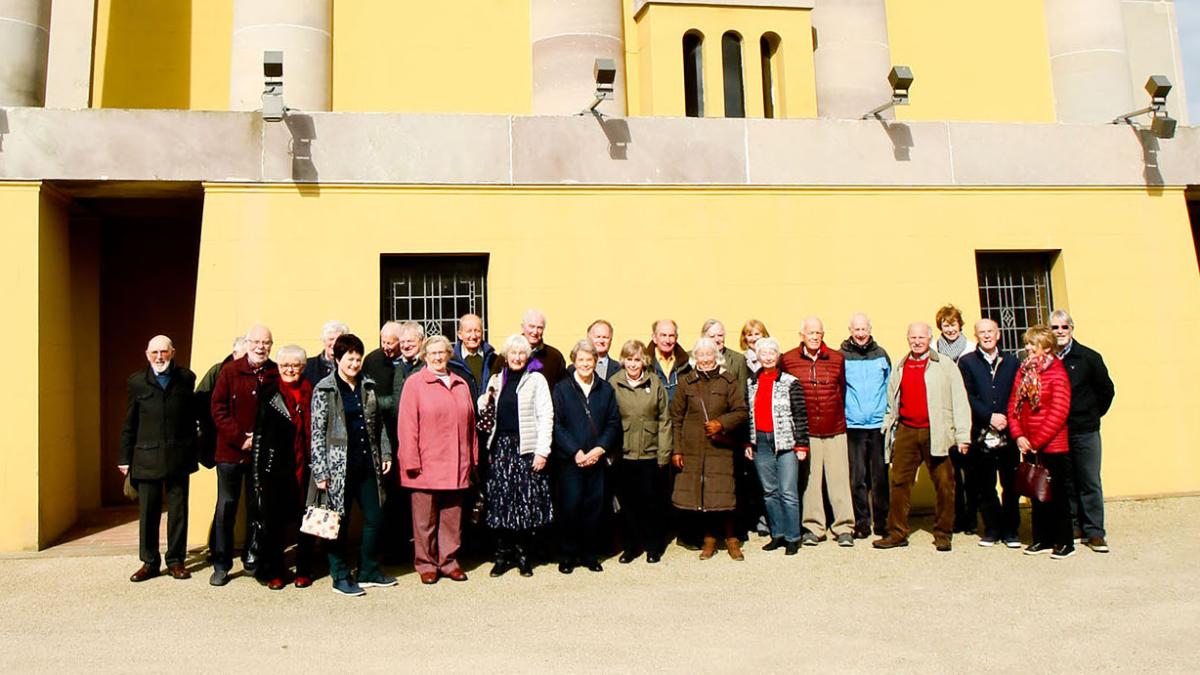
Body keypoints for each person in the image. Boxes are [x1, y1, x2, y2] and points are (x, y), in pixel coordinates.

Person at [310, 334, 395, 597]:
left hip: (366, 462)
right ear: (337, 359)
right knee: (338, 522)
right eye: (349, 358)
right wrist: (320, 470)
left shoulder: (367, 386)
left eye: (358, 359)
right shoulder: (324, 388)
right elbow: (317, 431)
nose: (355, 363)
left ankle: (368, 570)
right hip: (337, 467)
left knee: (374, 516)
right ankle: (340, 575)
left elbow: (377, 424)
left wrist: (385, 452)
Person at [874, 322, 971, 552]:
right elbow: (892, 401)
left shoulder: (945, 365)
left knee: (945, 484)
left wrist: (962, 435)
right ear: (907, 338)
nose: (917, 342)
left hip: (936, 430)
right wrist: (889, 427)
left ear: (930, 338)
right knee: (899, 483)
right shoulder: (901, 365)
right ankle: (897, 533)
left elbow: (959, 400)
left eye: (921, 337)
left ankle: (943, 533)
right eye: (913, 337)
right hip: (907, 430)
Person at [397, 336, 478, 584]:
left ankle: (449, 561)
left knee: (452, 519)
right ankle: (426, 564)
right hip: (426, 464)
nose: (438, 357)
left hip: (457, 463)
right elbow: (407, 425)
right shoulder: (415, 384)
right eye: (432, 353)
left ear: (448, 354)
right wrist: (410, 462)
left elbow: (471, 426)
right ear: (424, 356)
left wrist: (473, 458)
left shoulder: (460, 383)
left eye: (442, 352)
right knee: (425, 521)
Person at [119, 335, 198, 582]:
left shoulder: (186, 378)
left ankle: (176, 561)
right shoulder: (137, 382)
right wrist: (124, 458)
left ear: (173, 352)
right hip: (146, 457)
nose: (159, 357)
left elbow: (192, 416)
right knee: (149, 513)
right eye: (154, 352)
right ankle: (150, 562)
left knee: (178, 512)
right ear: (147, 354)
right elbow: (129, 423)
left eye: (164, 352)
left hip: (178, 456)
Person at [209, 324, 279, 586]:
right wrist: (241, 439)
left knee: (256, 507)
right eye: (256, 342)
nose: (261, 347)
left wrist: (260, 441)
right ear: (247, 343)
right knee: (226, 508)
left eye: (266, 342)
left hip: (260, 455)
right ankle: (221, 563)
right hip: (229, 453)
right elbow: (218, 409)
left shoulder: (274, 371)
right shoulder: (230, 370)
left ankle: (253, 557)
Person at [479, 334, 554, 577]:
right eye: (513, 353)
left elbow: (546, 416)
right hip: (500, 448)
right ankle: (502, 556)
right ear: (506, 355)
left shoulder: (536, 380)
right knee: (501, 504)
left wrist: (542, 451)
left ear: (527, 356)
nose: (517, 357)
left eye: (522, 353)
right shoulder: (496, 379)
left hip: (525, 449)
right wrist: (485, 398)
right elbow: (484, 407)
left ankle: (523, 556)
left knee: (524, 505)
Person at [670, 338, 749, 560]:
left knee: (724, 494)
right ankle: (709, 538)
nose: (705, 359)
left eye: (709, 354)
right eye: (701, 355)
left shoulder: (728, 380)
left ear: (717, 356)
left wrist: (721, 423)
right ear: (695, 357)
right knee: (702, 495)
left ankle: (732, 539)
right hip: (693, 449)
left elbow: (741, 411)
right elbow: (676, 417)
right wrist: (677, 450)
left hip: (720, 447)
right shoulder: (687, 382)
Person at [781, 317, 855, 547]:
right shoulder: (789, 359)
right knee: (811, 482)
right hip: (807, 431)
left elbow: (841, 389)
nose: (814, 337)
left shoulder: (836, 358)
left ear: (823, 335)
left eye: (818, 333)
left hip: (834, 428)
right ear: (801, 334)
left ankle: (844, 527)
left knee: (839, 480)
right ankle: (814, 527)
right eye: (810, 333)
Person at [552, 340, 621, 573]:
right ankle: (568, 554)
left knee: (594, 508)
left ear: (595, 362)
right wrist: (576, 452)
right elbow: (557, 424)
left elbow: (613, 423)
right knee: (570, 507)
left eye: (589, 360)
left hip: (596, 459)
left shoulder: (605, 389)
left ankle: (590, 554)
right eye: (580, 360)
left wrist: (600, 449)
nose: (585, 364)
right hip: (570, 460)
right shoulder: (562, 388)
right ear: (574, 361)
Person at [250, 344, 315, 589]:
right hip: (274, 468)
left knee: (305, 523)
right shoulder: (268, 392)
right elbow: (259, 435)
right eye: (285, 365)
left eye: (295, 365)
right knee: (273, 523)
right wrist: (257, 474)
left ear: (303, 367)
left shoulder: (312, 391)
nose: (290, 369)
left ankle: (304, 571)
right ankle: (274, 571)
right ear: (278, 367)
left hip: (305, 467)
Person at [1051, 310, 1115, 553]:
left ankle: (1095, 531)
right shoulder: (1049, 360)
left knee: (1089, 480)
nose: (1059, 332)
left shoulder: (1089, 357)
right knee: (1067, 481)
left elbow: (1106, 391)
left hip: (1085, 429)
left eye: (1064, 327)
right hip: (1059, 431)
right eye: (1055, 328)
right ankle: (1075, 525)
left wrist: (1091, 414)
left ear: (1071, 329)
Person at [1008, 325, 1074, 559]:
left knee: (1056, 494)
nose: (1026, 348)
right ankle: (1042, 538)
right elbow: (1014, 405)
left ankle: (1064, 541)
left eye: (1031, 344)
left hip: (1052, 444)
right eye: (1026, 343)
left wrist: (1037, 440)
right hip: (1029, 443)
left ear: (1045, 347)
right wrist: (1019, 436)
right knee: (1036, 492)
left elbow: (1059, 410)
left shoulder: (1057, 373)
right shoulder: (1024, 371)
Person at [958, 319, 1021, 548]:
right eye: (981, 332)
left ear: (998, 334)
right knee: (985, 484)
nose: (986, 336)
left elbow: (1017, 393)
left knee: (1011, 483)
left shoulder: (1012, 362)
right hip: (981, 432)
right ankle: (992, 528)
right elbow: (968, 395)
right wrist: (989, 416)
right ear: (976, 336)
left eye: (990, 332)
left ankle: (1011, 530)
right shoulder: (966, 363)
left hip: (1007, 431)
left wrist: (1004, 416)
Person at [609, 339, 672, 564]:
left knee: (651, 503)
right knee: (628, 504)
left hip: (650, 453)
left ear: (644, 361)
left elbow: (665, 419)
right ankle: (631, 547)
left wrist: (664, 452)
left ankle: (653, 546)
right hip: (624, 454)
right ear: (623, 361)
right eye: (629, 359)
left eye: (637, 359)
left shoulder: (654, 383)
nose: (633, 364)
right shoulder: (613, 384)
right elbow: (609, 419)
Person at [745, 338, 809, 555]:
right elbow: (748, 415)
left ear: (778, 355)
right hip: (761, 442)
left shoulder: (790, 382)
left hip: (786, 442)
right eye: (764, 353)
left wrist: (801, 445)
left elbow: (800, 414)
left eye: (772, 352)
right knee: (769, 492)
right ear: (758, 357)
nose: (768, 356)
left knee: (788, 491)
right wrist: (748, 441)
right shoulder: (751, 383)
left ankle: (793, 537)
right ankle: (778, 534)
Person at [840, 313, 891, 539]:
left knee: (880, 476)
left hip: (879, 424)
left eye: (864, 329)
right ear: (850, 330)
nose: (861, 334)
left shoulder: (881, 355)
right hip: (854, 425)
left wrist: (890, 417)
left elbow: (891, 387)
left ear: (870, 329)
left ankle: (882, 522)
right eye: (856, 330)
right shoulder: (842, 356)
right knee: (857, 477)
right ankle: (862, 522)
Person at [934, 304, 977, 535]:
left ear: (960, 324)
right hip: (944, 418)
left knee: (971, 472)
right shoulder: (933, 349)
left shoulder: (972, 349)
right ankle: (956, 516)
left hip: (970, 415)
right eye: (945, 325)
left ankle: (971, 518)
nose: (950, 329)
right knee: (950, 475)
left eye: (953, 324)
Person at [195, 336, 246, 468]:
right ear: (235, 354)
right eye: (245, 355)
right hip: (219, 438)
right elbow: (200, 401)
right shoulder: (218, 371)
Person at [448, 313, 497, 402]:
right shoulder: (450, 362)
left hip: (488, 413)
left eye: (477, 331)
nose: (473, 336)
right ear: (459, 334)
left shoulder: (494, 360)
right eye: (469, 331)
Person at [516, 309, 566, 387]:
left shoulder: (554, 357)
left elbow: (562, 388)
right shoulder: (509, 354)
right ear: (522, 327)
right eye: (531, 326)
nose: (535, 332)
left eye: (539, 328)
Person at [650, 319, 690, 403]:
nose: (667, 340)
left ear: (676, 338)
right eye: (663, 335)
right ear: (654, 338)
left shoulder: (687, 364)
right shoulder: (644, 364)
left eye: (671, 336)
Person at [701, 320, 748, 389]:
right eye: (712, 336)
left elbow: (742, 391)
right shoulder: (692, 358)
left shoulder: (738, 359)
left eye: (720, 335)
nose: (717, 340)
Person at [303, 320, 348, 385]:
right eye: (331, 339)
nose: (335, 343)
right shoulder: (308, 366)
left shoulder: (350, 366)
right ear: (324, 341)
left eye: (339, 340)